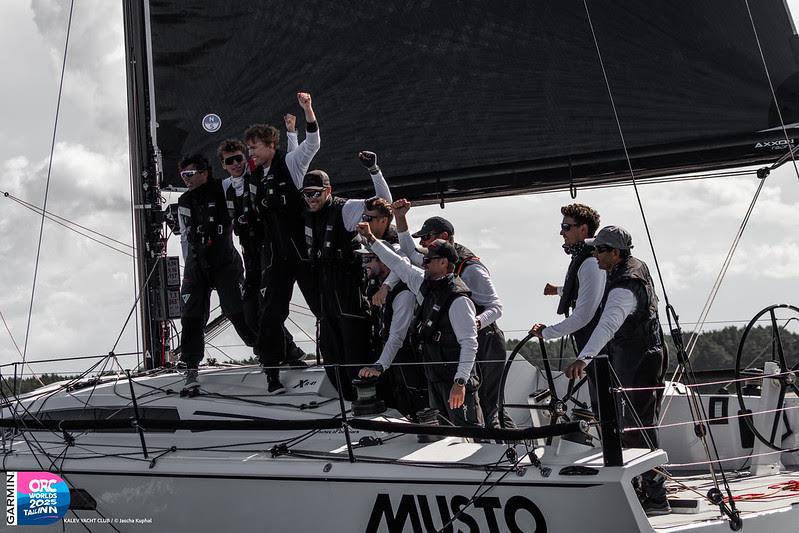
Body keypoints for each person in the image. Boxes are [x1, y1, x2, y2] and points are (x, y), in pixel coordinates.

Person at [564, 225, 670, 516]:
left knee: (637, 428)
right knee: (635, 425)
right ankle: (644, 487)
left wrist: (583, 359)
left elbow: (607, 326)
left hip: (638, 359)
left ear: (615, 253)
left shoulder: (624, 286)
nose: (595, 255)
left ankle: (657, 497)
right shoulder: (633, 267)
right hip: (642, 353)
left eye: (600, 250)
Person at [386, 199, 509, 428]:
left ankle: (502, 445)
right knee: (473, 404)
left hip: (486, 339)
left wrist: (476, 322)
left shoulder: (472, 269)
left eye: (426, 237)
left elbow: (496, 307)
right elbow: (409, 253)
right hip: (462, 340)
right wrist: (400, 218)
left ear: (443, 236)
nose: (422, 243)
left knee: (488, 404)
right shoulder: (438, 260)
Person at [358, 223, 482, 427]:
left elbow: (470, 343)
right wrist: (371, 239)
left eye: (428, 260)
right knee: (444, 433)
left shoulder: (459, 300)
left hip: (456, 382)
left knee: (469, 432)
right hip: (435, 378)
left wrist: (460, 382)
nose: (424, 264)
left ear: (443, 262)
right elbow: (398, 264)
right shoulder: (424, 285)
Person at [300, 152, 392, 399]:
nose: (311, 199)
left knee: (354, 351)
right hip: (324, 291)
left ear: (328, 191)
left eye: (316, 193)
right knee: (330, 351)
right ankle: (346, 400)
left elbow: (384, 204)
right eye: (307, 194)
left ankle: (367, 399)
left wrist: (374, 170)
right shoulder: (305, 213)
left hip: (348, 290)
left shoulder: (345, 209)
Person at [244, 92, 319, 394]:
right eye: (249, 148)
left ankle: (340, 362)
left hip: (302, 252)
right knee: (271, 314)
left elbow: (311, 146)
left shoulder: (290, 163)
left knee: (322, 306)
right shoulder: (255, 177)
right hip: (276, 257)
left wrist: (307, 111)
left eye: (254, 147)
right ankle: (272, 371)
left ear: (270, 145)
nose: (250, 152)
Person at [219, 131, 305, 368]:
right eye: (229, 161)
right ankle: (275, 350)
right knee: (248, 310)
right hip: (249, 254)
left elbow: (289, 163)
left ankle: (287, 354)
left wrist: (292, 132)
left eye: (239, 158)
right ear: (223, 165)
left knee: (268, 306)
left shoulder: (258, 176)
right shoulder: (225, 188)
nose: (236, 164)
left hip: (269, 249)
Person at [176, 154, 257, 391]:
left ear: (204, 172)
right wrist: (189, 265)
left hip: (224, 261)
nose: (186, 179)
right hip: (196, 264)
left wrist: (240, 160)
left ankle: (267, 352)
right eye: (182, 175)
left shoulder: (222, 187)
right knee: (190, 315)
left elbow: (240, 180)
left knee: (237, 310)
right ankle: (191, 366)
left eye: (190, 174)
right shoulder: (183, 201)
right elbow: (184, 236)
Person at [529, 203, 605, 411]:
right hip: (593, 345)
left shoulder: (590, 263)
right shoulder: (586, 260)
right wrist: (558, 290)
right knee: (600, 404)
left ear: (583, 229)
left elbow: (584, 315)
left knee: (605, 406)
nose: (561, 232)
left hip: (600, 347)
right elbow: (584, 289)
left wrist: (547, 332)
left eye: (566, 227)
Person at [355, 245, 428, 417]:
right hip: (393, 362)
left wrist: (379, 366)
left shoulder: (404, 294)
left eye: (369, 259)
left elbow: (397, 335)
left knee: (415, 406)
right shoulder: (378, 289)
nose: (365, 265)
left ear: (385, 262)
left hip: (409, 360)